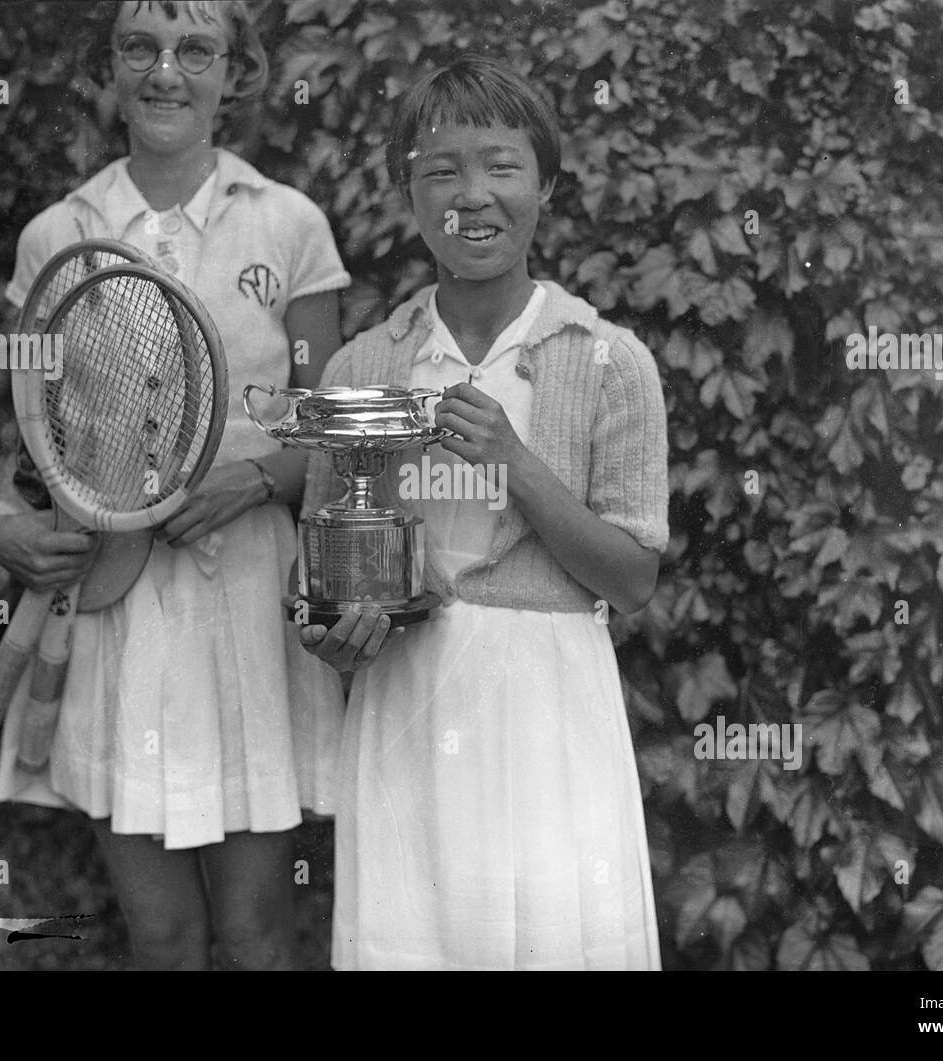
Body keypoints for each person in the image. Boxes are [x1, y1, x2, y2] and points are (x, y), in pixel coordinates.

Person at [0, 0, 348, 970]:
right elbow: (24, 442)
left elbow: (333, 428)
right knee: (163, 935)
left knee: (257, 936)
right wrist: (0, 528)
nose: (165, 71)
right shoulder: (58, 232)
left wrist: (256, 480)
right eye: (140, 47)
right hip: (114, 613)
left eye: (194, 49)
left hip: (253, 616)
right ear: (111, 64)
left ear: (235, 72)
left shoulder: (289, 223)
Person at [297, 56, 669, 970]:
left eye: (501, 167)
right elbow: (321, 577)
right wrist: (333, 627)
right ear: (410, 196)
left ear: (545, 184)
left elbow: (632, 580)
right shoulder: (360, 370)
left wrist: (514, 463)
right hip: (406, 709)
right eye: (441, 172)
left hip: (549, 713)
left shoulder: (609, 360)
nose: (474, 196)